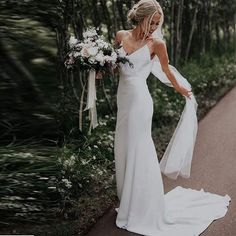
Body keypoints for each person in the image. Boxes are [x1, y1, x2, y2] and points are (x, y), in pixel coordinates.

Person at [113, 0, 231, 235]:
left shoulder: (157, 44)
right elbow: (116, 67)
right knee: (124, 146)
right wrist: (97, 66)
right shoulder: (120, 36)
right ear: (141, 18)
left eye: (158, 23)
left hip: (140, 102)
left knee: (140, 147)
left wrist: (181, 89)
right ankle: (128, 199)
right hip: (123, 100)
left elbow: (166, 71)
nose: (155, 27)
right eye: (152, 22)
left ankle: (145, 206)